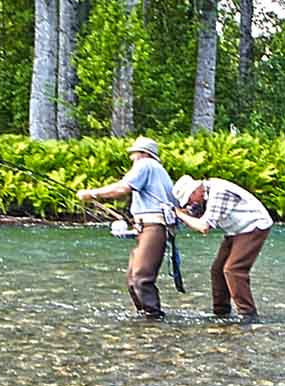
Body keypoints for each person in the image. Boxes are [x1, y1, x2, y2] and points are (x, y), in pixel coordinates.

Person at [76, 136, 177, 320]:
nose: (132, 158)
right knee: (132, 279)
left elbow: (122, 188)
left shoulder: (145, 164)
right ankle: (145, 317)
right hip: (150, 227)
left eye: (134, 153)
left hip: (153, 227)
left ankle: (153, 320)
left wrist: (91, 194)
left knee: (140, 278)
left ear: (145, 153)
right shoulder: (158, 170)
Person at [171, 175, 273, 323]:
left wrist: (179, 214)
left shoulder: (218, 192)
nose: (191, 203)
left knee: (233, 270)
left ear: (195, 191)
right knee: (217, 269)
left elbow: (204, 227)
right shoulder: (206, 192)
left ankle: (248, 315)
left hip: (254, 225)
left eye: (190, 199)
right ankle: (221, 313)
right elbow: (200, 217)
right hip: (236, 230)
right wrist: (183, 214)